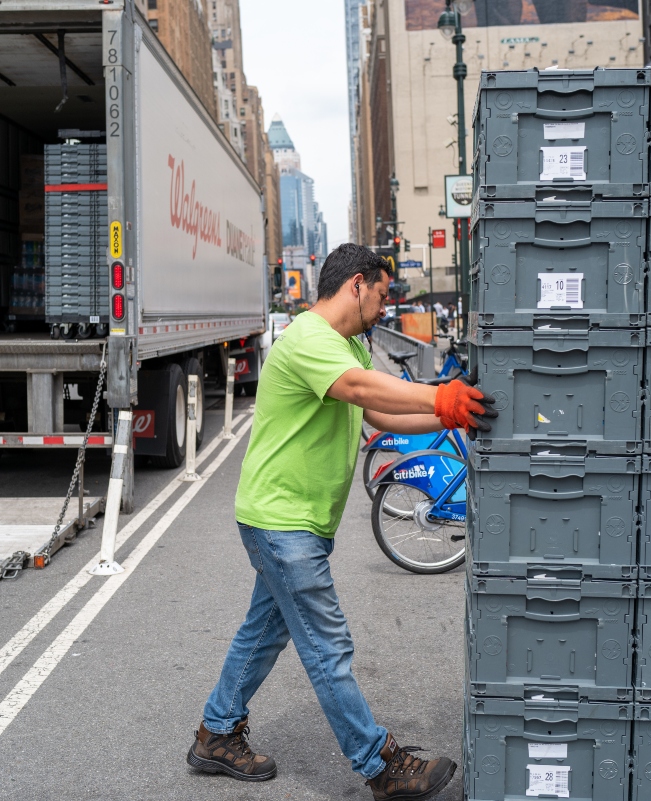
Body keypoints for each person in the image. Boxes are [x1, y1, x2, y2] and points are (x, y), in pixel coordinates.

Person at [188, 243, 497, 800]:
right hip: (282, 520)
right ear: (356, 284)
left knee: (266, 629)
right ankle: (380, 765)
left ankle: (216, 732)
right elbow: (359, 388)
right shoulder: (309, 338)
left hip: (288, 518)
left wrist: (452, 413)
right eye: (381, 295)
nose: (384, 308)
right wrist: (441, 395)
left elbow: (373, 410)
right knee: (327, 647)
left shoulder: (348, 342)